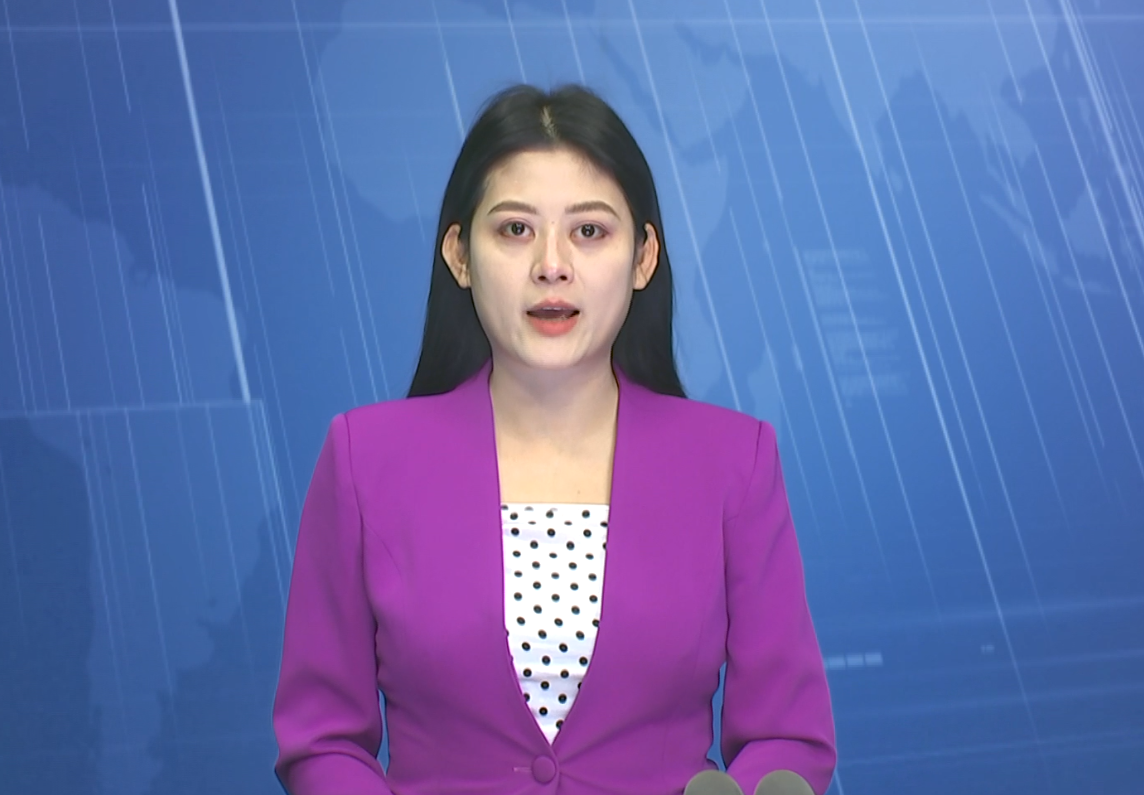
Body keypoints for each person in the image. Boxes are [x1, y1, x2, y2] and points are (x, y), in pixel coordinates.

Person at [272, 83, 837, 795]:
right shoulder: (364, 458)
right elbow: (322, 738)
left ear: (643, 258)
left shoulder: (734, 462)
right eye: (515, 229)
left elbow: (786, 735)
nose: (552, 264)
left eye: (589, 231)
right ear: (459, 255)